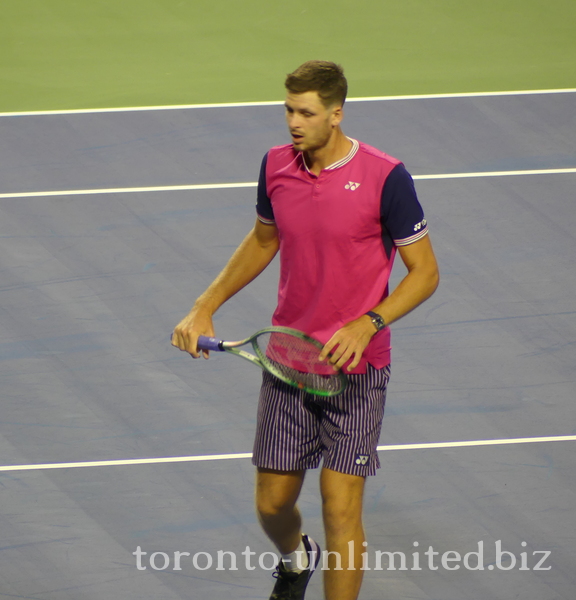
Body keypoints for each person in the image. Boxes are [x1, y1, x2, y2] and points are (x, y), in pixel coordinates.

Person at [171, 60, 439, 600]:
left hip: (355, 370)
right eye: (289, 109)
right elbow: (263, 241)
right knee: (272, 505)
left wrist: (370, 322)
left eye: (307, 112)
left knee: (341, 509)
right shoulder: (275, 166)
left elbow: (426, 273)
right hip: (288, 361)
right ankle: (296, 560)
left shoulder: (388, 178)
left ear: (336, 114)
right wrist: (205, 303)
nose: (294, 122)